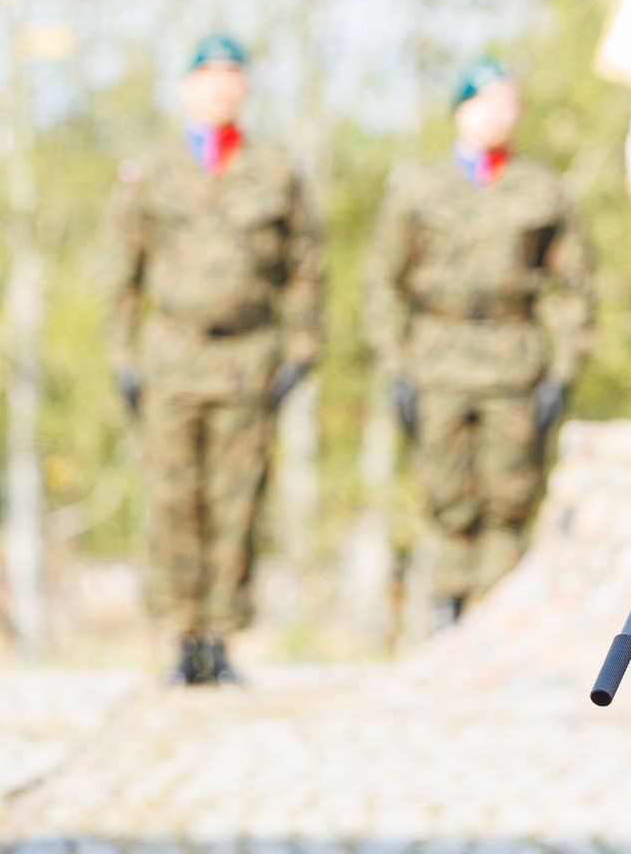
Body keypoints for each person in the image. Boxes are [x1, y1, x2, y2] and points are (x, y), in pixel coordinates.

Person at [107, 34, 322, 685]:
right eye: (208, 76)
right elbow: (122, 273)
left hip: (247, 358)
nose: (221, 88)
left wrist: (302, 349)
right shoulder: (150, 172)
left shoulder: (276, 173)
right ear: (185, 88)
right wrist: (123, 355)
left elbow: (306, 270)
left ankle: (223, 638)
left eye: (233, 76)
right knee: (175, 501)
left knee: (236, 503)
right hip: (173, 356)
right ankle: (181, 636)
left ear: (246, 89)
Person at [366, 58, 592, 626]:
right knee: (446, 495)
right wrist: (396, 365)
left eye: (509, 103)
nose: (499, 115)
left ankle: (498, 616)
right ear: (461, 111)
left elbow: (573, 286)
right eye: (487, 102)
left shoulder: (542, 190)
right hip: (438, 359)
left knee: (509, 497)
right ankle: (449, 609)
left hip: (513, 362)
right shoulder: (418, 190)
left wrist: (562, 371)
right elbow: (383, 283)